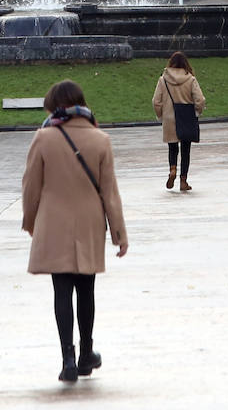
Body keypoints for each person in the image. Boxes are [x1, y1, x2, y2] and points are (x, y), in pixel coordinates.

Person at [21, 80, 128, 383]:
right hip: (89, 222)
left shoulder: (43, 138)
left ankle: (67, 357)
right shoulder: (100, 139)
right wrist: (119, 234)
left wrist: (30, 222)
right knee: (86, 290)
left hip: (53, 222)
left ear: (54, 107)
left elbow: (30, 187)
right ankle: (86, 353)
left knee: (61, 290)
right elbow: (110, 193)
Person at [151, 51, 205, 192]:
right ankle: (183, 180)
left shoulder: (163, 80)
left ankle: (172, 169)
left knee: (172, 147)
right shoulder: (190, 79)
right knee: (185, 150)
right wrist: (196, 111)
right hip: (186, 117)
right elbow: (200, 100)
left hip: (169, 117)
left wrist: (161, 115)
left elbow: (156, 101)